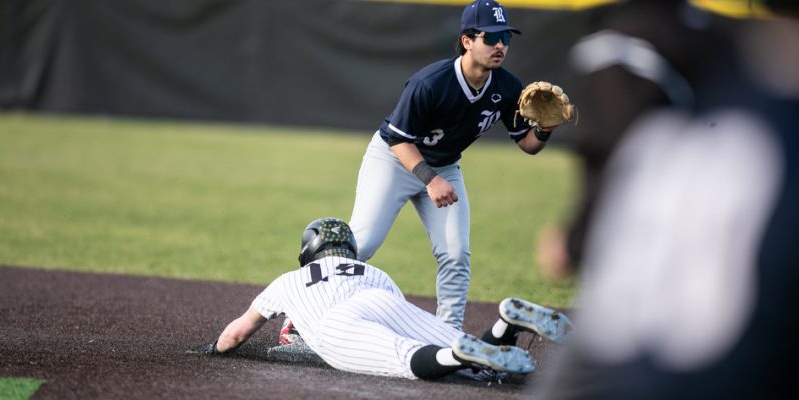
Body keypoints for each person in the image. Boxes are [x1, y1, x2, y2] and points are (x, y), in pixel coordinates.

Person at [534, 0, 799, 398]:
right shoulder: (720, 43)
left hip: (646, 323)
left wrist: (578, 238)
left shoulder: (620, 42)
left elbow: (616, 149)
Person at [348, 0, 557, 330]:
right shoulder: (429, 83)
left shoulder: (507, 86)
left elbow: (528, 145)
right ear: (467, 41)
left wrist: (544, 128)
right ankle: (299, 319)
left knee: (456, 255)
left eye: (505, 37)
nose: (500, 44)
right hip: (393, 161)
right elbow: (399, 140)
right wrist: (430, 180)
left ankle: (447, 334)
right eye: (491, 37)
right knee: (362, 243)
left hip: (444, 167)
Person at [198, 217, 574, 380]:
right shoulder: (374, 271)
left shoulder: (290, 279)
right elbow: (396, 315)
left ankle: (460, 354)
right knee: (469, 360)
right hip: (382, 301)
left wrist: (212, 350)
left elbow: (238, 333)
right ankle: (503, 324)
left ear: (309, 250)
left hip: (338, 326)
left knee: (410, 361)